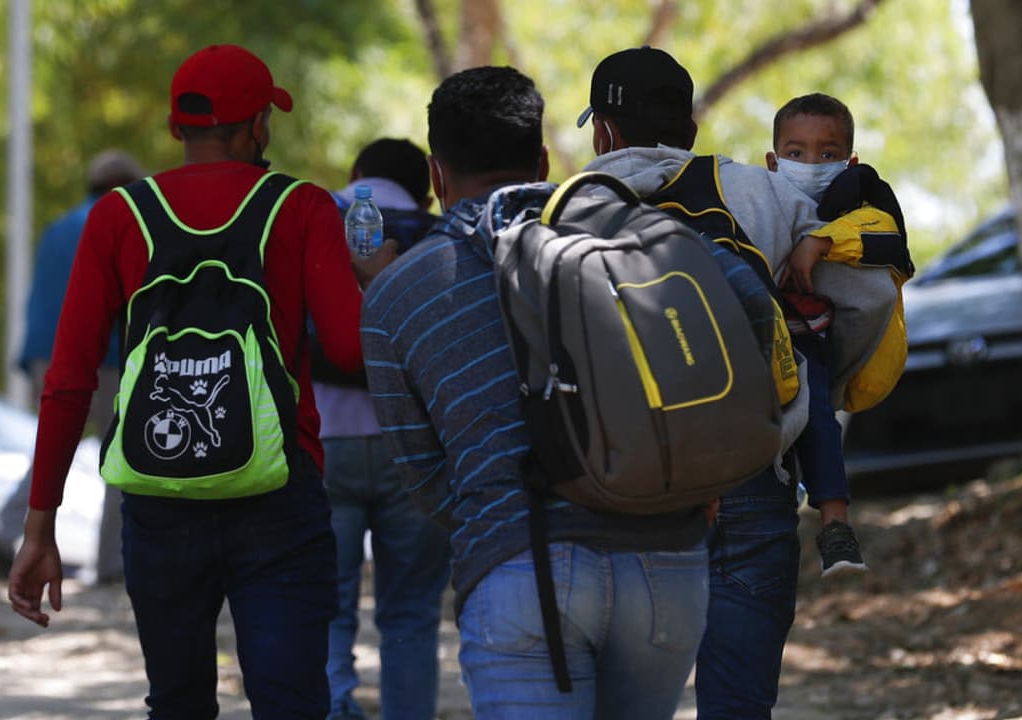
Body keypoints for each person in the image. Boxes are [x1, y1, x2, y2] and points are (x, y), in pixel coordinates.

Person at [361, 65, 781, 719]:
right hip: (666, 565)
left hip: (521, 566)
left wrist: (497, 505)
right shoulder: (636, 232)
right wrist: (700, 472)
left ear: (437, 176)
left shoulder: (396, 291)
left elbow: (424, 477)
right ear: (542, 161)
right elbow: (758, 313)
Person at [7, 44, 393, 718]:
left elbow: (68, 381)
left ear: (175, 127)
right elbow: (346, 348)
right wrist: (372, 283)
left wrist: (40, 528)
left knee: (177, 703)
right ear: (258, 127)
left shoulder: (118, 215)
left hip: (159, 501)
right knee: (291, 704)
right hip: (278, 497)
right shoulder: (301, 207)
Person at [578, 47, 902, 718]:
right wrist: (811, 389)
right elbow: (868, 295)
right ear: (691, 130)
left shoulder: (568, 210)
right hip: (751, 465)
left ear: (603, 132)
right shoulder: (762, 192)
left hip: (622, 487)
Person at [312, 138, 450, 720]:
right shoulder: (440, 234)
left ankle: (333, 707)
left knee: (325, 605)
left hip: (324, 442)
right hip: (414, 448)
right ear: (427, 191)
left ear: (356, 172)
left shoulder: (317, 217)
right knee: (411, 612)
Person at [765, 92, 911, 579]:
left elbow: (888, 240)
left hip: (814, 343)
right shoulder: (756, 201)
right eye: (796, 152)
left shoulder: (861, 201)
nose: (810, 164)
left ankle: (836, 525)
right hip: (760, 345)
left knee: (817, 417)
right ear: (772, 161)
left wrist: (821, 241)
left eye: (826, 153)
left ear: (849, 161)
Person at [0, 149, 144, 583]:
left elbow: (40, 297)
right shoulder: (118, 223)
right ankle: (113, 562)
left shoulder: (58, 228)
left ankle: (2, 530)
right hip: (103, 355)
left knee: (52, 449)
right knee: (121, 456)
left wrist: (30, 358)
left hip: (47, 351)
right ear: (121, 187)